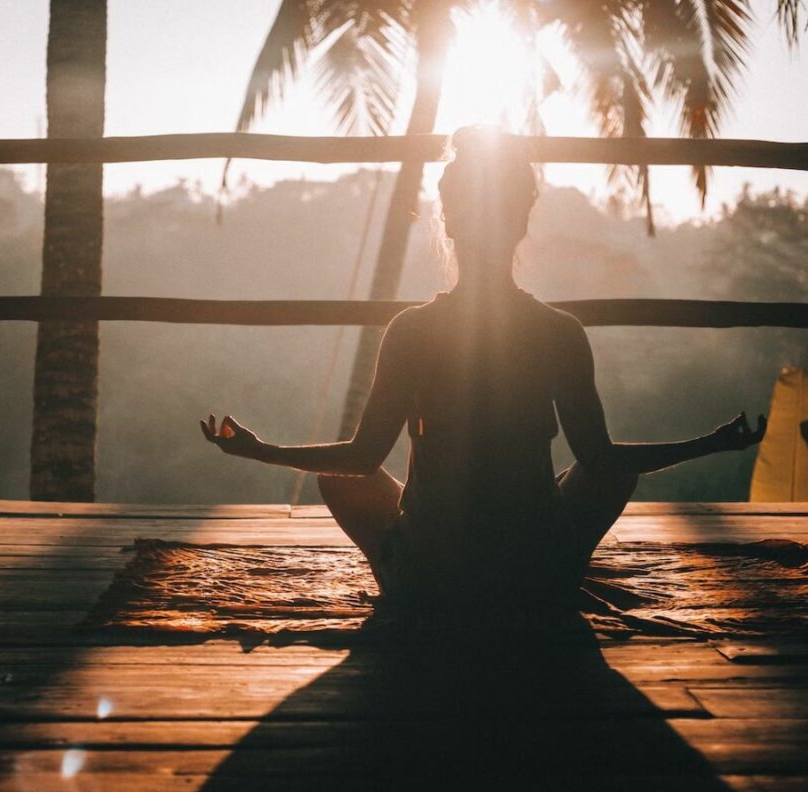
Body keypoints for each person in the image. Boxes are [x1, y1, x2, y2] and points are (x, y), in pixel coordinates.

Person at [200, 127, 766, 620]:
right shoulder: (559, 332)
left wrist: (261, 450)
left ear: (449, 222)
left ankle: (403, 577)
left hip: (432, 578)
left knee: (339, 478)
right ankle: (551, 569)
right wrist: (711, 443)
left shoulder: (412, 330)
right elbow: (601, 459)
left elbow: (362, 458)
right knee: (610, 471)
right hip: (536, 575)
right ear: (521, 222)